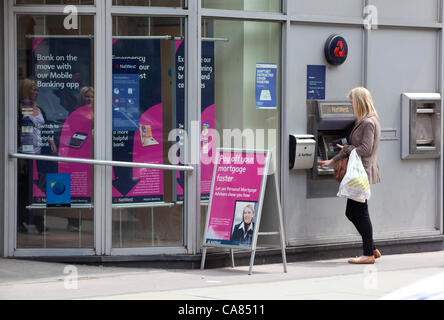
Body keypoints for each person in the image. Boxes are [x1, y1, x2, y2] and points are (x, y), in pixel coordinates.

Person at [318, 87, 381, 264]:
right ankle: (372, 248)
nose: (351, 104)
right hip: (360, 171)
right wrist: (331, 161)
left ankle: (368, 253)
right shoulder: (366, 120)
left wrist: (346, 149)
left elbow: (365, 149)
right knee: (358, 211)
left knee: (357, 212)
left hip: (361, 173)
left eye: (352, 101)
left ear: (359, 102)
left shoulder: (368, 122)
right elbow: (355, 148)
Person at [18, 78, 58, 234]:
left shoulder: (39, 109)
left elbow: (46, 126)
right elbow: (23, 128)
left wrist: (51, 142)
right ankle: (22, 220)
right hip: (26, 154)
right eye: (32, 90)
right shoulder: (22, 108)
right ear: (25, 91)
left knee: (40, 187)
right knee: (26, 188)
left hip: (40, 153)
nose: (35, 93)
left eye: (37, 90)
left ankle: (39, 221)